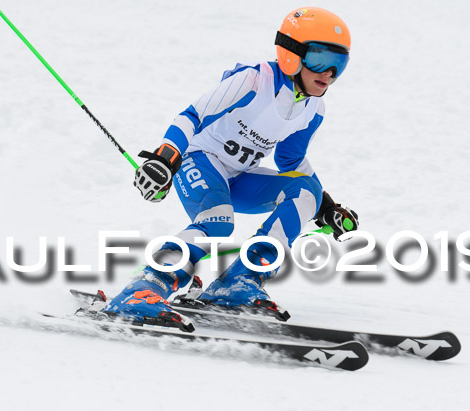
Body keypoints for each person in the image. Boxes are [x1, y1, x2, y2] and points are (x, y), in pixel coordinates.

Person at [104, 7, 359, 331]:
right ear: (292, 54)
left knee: (306, 191)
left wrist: (326, 205)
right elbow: (191, 116)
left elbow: (291, 161)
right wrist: (165, 157)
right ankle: (143, 290)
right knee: (218, 223)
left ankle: (238, 282)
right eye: (320, 59)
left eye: (339, 64)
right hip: (199, 159)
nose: (329, 74)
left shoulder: (313, 108)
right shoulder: (255, 81)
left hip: (238, 176)